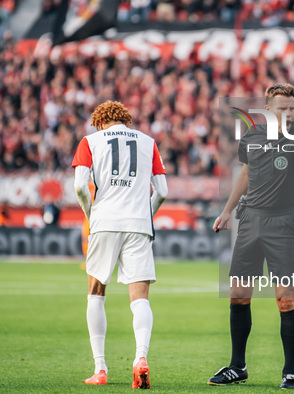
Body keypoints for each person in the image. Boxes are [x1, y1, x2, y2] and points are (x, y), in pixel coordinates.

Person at [209, 84, 294, 389]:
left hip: (282, 224)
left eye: (292, 108)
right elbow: (246, 174)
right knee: (239, 295)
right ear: (268, 109)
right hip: (250, 220)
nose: (288, 113)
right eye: (282, 108)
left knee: (285, 300)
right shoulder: (253, 135)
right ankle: (237, 366)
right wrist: (228, 210)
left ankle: (290, 372)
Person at [72, 100, 168, 389]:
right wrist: (145, 216)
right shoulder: (148, 142)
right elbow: (162, 191)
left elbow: (79, 186)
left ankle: (100, 368)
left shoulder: (90, 141)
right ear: (125, 120)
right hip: (138, 225)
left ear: (100, 122)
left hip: (104, 222)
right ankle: (140, 358)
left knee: (96, 294)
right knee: (140, 298)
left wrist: (92, 214)